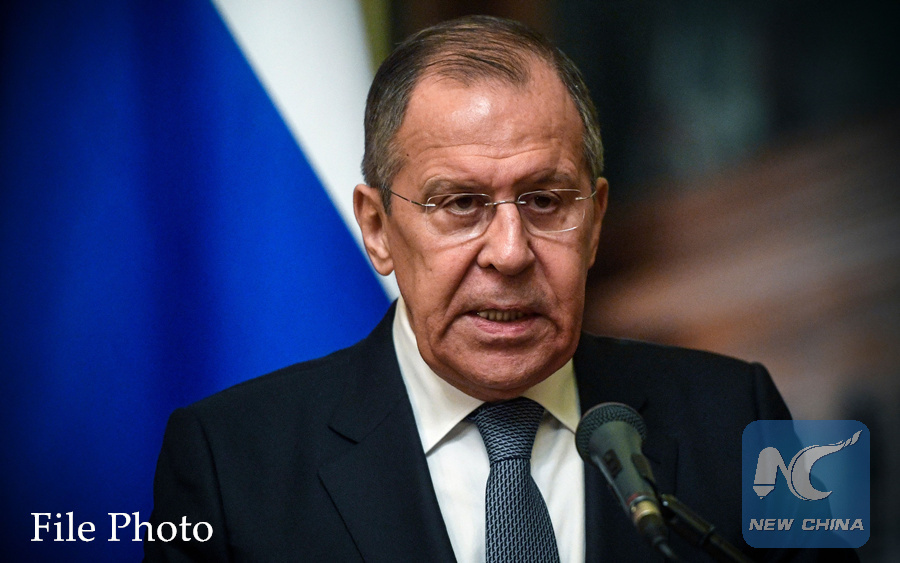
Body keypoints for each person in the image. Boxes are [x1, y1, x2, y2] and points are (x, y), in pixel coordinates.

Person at [145, 15, 858, 562]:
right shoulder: (227, 462)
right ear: (378, 228)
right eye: (460, 204)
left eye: (546, 200)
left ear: (595, 220)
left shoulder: (740, 413)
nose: (511, 253)